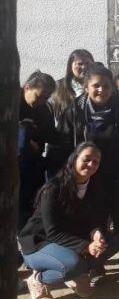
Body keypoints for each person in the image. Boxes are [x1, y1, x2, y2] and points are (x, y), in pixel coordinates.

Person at [57, 64, 119, 280]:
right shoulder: (75, 110)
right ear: (86, 87)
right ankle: (96, 266)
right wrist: (71, 175)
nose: (101, 90)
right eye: (96, 86)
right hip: (88, 177)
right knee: (94, 223)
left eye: (106, 86)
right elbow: (64, 143)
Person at [18, 142, 116, 299]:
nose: (91, 164)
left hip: (67, 242)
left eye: (96, 161)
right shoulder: (53, 189)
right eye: (86, 159)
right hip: (38, 243)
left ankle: (75, 274)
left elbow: (94, 219)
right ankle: (37, 279)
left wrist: (96, 234)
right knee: (74, 264)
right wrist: (86, 246)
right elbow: (53, 232)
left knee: (112, 243)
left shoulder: (94, 187)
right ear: (74, 159)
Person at [47, 49, 94, 178]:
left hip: (88, 147)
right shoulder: (58, 88)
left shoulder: (96, 87)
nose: (84, 67)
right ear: (70, 66)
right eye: (79, 64)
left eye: (88, 63)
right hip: (61, 147)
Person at [18, 71, 57, 229]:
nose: (41, 101)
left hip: (32, 165)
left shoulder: (44, 109)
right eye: (38, 96)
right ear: (27, 88)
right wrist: (26, 136)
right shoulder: (10, 103)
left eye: (46, 98)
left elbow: (49, 134)